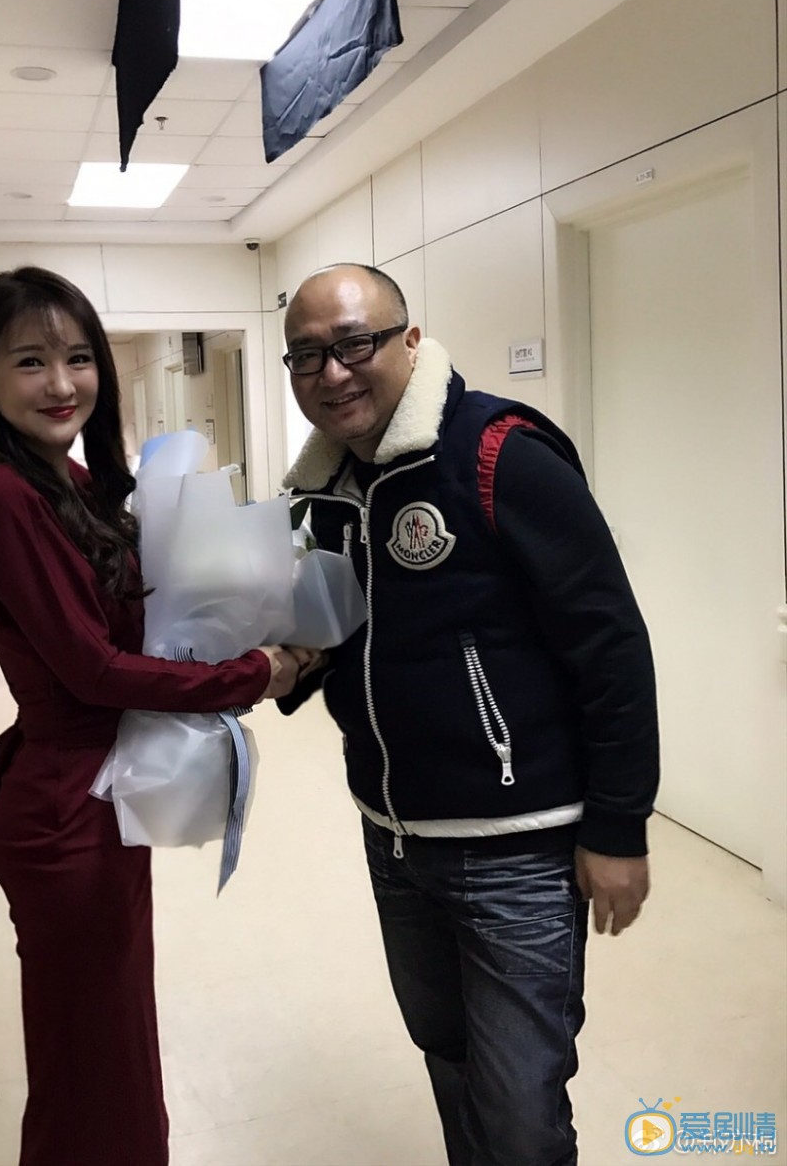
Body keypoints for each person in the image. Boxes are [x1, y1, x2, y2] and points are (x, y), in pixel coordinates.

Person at [278, 263, 658, 1166]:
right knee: (448, 1058)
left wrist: (618, 824)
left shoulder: (500, 454)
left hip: (517, 846)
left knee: (521, 1109)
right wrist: (281, 662)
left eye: (355, 344)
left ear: (410, 342)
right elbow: (354, 634)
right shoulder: (326, 491)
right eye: (308, 356)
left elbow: (610, 642)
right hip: (394, 838)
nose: (333, 373)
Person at [0, 265, 300, 1166]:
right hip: (63, 806)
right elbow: (93, 669)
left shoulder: (63, 476)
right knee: (89, 1058)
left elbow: (131, 619)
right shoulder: (1, 493)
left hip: (97, 791)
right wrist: (251, 672)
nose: (61, 382)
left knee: (107, 1043)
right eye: (30, 361)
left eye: (77, 357)